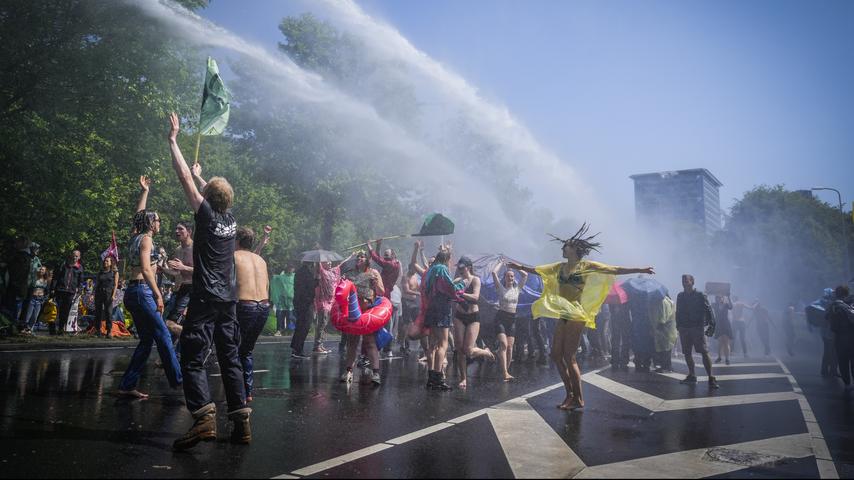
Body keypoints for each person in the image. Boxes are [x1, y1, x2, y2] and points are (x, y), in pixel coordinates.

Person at [167, 112, 250, 450]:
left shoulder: (205, 215)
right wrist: (205, 181)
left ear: (208, 201)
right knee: (229, 357)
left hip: (205, 297)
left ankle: (203, 418)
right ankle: (241, 422)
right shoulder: (230, 220)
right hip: (228, 299)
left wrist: (173, 141)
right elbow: (212, 194)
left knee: (192, 354)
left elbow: (183, 176)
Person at [508, 224, 654, 410]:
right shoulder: (559, 267)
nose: (562, 248)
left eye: (566, 246)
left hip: (576, 314)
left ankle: (578, 398)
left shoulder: (586, 266)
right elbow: (536, 270)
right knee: (555, 354)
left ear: (574, 249)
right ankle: (570, 394)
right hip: (564, 313)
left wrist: (640, 270)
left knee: (569, 357)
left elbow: (614, 269)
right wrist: (517, 266)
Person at [117, 175, 182, 399]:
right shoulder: (146, 240)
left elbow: (138, 217)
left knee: (146, 340)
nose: (160, 223)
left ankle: (127, 385)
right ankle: (180, 381)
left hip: (132, 293)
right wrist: (158, 295)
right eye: (158, 220)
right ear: (151, 223)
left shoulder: (134, 236)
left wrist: (144, 192)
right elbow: (146, 269)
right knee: (163, 334)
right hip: (143, 291)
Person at [234, 227, 271, 403]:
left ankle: (237, 393)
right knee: (246, 351)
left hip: (245, 306)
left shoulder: (234, 257)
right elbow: (267, 286)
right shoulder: (261, 260)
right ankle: (247, 392)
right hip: (263, 306)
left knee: (233, 350)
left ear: (237, 241)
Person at [422, 247, 463, 391]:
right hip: (441, 308)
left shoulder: (431, 270)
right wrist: (460, 284)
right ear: (446, 259)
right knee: (443, 344)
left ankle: (431, 378)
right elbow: (449, 287)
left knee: (432, 344)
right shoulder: (442, 269)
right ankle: (439, 378)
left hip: (431, 307)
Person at [452, 255, 494, 389]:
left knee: (468, 350)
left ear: (468, 267)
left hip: (473, 316)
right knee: (460, 349)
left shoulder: (475, 280)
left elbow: (475, 297)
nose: (459, 269)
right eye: (458, 267)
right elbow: (450, 291)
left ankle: (485, 352)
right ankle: (463, 378)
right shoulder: (457, 280)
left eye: (462, 267)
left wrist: (461, 293)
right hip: (459, 315)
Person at [675, 274, 719, 389]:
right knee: (687, 352)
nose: (684, 283)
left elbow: (709, 310)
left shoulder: (700, 295)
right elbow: (678, 312)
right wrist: (678, 325)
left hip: (697, 327)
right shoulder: (680, 296)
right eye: (683, 281)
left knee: (704, 351)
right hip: (684, 328)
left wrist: (712, 325)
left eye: (687, 281)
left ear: (692, 282)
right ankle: (692, 375)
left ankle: (711, 378)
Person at [491, 259, 529, 382]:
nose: (510, 278)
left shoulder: (517, 289)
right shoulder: (500, 288)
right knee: (504, 344)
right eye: (508, 276)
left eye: (512, 276)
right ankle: (505, 372)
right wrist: (501, 263)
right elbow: (493, 273)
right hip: (501, 318)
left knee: (510, 347)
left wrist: (514, 266)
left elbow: (525, 275)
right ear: (505, 278)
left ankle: (505, 371)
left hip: (512, 319)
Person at [314, 252, 355, 354]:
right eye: (327, 261)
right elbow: (317, 264)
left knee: (324, 324)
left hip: (331, 302)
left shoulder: (333, 272)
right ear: (322, 264)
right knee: (321, 324)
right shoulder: (322, 272)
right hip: (323, 302)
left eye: (330, 261)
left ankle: (320, 344)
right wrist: (318, 258)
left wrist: (351, 256)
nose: (330, 263)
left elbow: (342, 264)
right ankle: (317, 345)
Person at [162, 221, 195, 342]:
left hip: (195, 289)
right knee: (172, 323)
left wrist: (183, 267)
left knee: (171, 322)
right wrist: (163, 270)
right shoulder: (178, 250)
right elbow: (177, 273)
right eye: (176, 229)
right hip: (182, 289)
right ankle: (175, 354)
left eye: (180, 229)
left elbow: (203, 271)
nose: (177, 231)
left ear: (189, 232)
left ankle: (194, 340)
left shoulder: (196, 248)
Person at [827, 285, 854, 391]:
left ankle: (847, 383)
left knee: (842, 361)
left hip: (837, 338)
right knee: (853, 360)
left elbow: (826, 318)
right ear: (845, 294)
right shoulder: (845, 307)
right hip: (850, 337)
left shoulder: (831, 306)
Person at [50, 250, 84, 335]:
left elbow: (81, 281)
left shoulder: (79, 267)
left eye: (76, 256)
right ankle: (52, 327)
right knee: (56, 310)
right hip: (60, 290)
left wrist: (79, 291)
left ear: (79, 257)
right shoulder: (63, 264)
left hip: (70, 292)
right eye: (73, 255)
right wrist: (53, 288)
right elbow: (56, 277)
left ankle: (61, 329)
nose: (74, 257)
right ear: (70, 256)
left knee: (65, 311)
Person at [291, 261, 317, 359]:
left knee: (300, 325)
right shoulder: (305, 273)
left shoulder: (301, 272)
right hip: (304, 303)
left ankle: (296, 347)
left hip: (300, 302)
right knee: (304, 326)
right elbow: (307, 288)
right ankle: (298, 349)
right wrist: (316, 282)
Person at [93, 256, 119, 338]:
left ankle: (109, 331)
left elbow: (115, 285)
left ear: (111, 263)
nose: (105, 262)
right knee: (98, 312)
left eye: (107, 261)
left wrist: (113, 295)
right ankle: (98, 331)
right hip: (99, 293)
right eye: (105, 261)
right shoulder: (100, 272)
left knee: (109, 312)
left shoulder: (114, 272)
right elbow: (96, 284)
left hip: (108, 293)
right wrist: (93, 294)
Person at [22, 266, 50, 334]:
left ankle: (30, 329)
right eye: (40, 269)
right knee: (28, 315)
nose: (41, 270)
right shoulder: (35, 279)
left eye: (43, 269)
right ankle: (25, 328)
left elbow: (47, 291)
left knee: (35, 316)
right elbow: (29, 287)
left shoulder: (46, 281)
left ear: (45, 271)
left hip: (40, 299)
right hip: (33, 298)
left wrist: (44, 299)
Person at [271, 266, 295, 336]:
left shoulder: (295, 277)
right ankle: (279, 330)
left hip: (291, 302)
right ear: (287, 268)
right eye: (289, 267)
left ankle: (291, 331)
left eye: (292, 267)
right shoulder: (281, 277)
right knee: (280, 316)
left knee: (291, 317)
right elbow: (273, 278)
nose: (291, 269)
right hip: (281, 302)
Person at [609, 303, 632, 371]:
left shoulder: (613, 297)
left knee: (616, 340)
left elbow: (611, 308)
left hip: (617, 319)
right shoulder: (626, 295)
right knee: (624, 340)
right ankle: (623, 360)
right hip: (625, 319)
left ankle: (615, 360)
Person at [712, 295, 734, 365]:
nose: (718, 299)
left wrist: (729, 297)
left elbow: (731, 307)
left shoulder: (726, 304)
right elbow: (706, 304)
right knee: (720, 342)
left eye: (720, 297)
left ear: (723, 298)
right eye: (717, 297)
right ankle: (719, 357)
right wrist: (706, 293)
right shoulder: (714, 305)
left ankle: (727, 359)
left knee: (726, 341)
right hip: (718, 324)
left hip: (725, 324)